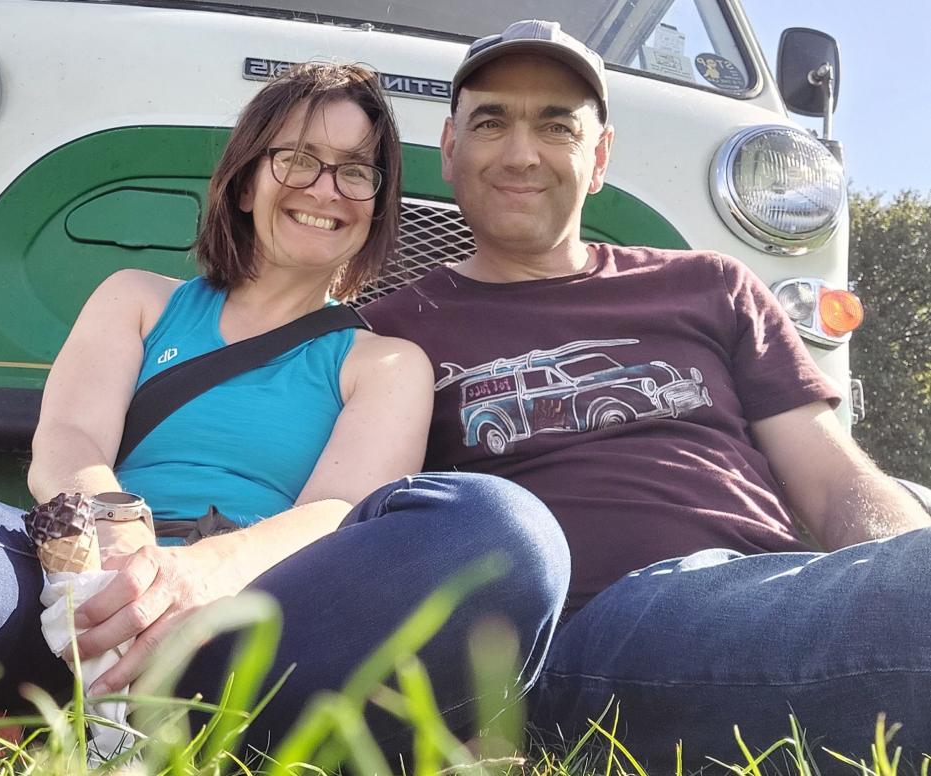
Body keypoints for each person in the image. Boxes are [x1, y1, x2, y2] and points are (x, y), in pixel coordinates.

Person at [0, 63, 569, 756]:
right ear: (244, 178)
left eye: (355, 172)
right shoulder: (139, 298)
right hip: (71, 576)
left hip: (260, 613)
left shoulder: (384, 362)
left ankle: (96, 719)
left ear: (377, 205)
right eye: (298, 158)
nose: (325, 188)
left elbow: (337, 513)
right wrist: (114, 543)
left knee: (498, 528)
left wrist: (193, 580)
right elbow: (68, 436)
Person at [362, 20, 931, 771]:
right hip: (589, 639)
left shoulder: (712, 285)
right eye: (490, 121)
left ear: (597, 157)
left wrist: (887, 572)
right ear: (449, 150)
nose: (520, 152)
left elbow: (835, 481)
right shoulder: (393, 332)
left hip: (773, 594)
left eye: (555, 126)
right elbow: (360, 526)